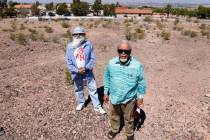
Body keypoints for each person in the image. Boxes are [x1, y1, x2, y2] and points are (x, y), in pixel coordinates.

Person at [103, 40, 146, 140]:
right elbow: (107, 78)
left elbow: (141, 82)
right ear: (117, 51)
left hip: (129, 98)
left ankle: (129, 133)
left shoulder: (137, 65)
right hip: (114, 97)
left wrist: (140, 97)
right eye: (120, 51)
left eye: (126, 51)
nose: (123, 53)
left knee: (129, 118)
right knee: (114, 115)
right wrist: (105, 92)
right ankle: (114, 129)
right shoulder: (111, 63)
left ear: (130, 52)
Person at [66, 26, 106, 114]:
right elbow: (68, 62)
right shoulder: (70, 46)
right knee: (78, 88)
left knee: (93, 88)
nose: (78, 35)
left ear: (84, 35)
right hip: (76, 73)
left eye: (81, 34)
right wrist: (77, 70)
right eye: (76, 34)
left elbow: (92, 59)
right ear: (73, 35)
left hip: (88, 72)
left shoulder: (88, 44)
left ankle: (97, 107)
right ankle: (81, 103)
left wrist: (86, 67)